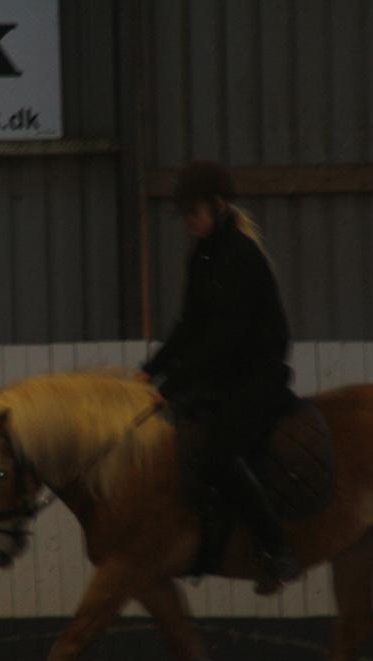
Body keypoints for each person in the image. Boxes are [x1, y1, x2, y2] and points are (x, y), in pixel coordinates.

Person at [135, 160, 300, 592]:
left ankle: (275, 547)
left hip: (257, 375)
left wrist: (170, 387)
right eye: (186, 215)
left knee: (221, 453)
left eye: (194, 213)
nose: (189, 223)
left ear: (217, 205)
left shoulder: (241, 257)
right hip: (226, 373)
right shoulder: (204, 255)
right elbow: (189, 325)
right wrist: (149, 370)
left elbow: (223, 339)